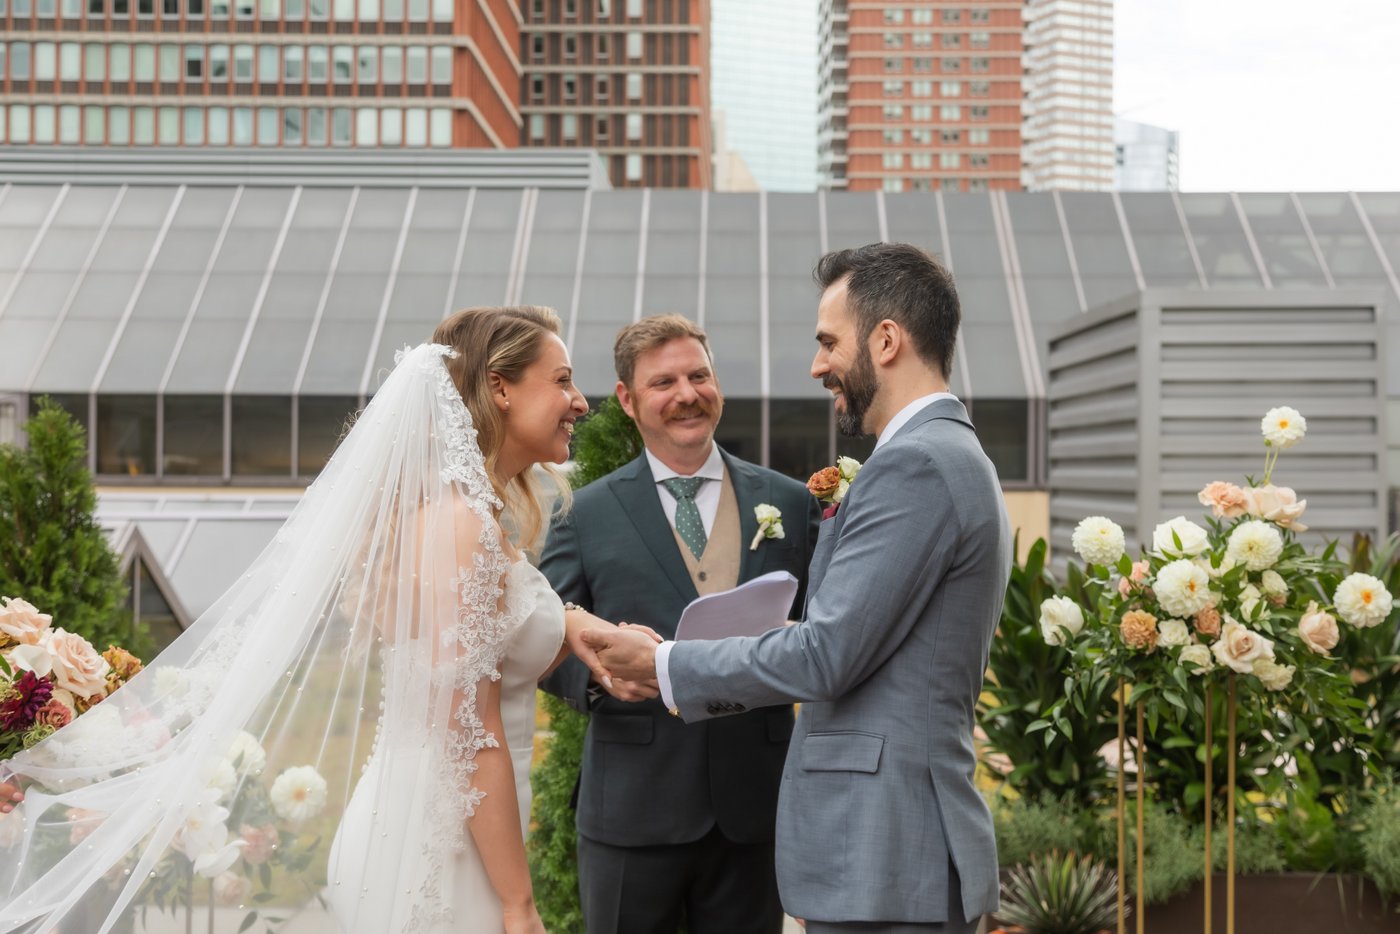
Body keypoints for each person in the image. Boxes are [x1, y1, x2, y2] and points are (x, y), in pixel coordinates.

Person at [0, 306, 622, 934]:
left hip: (437, 824)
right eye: (563, 380)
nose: (581, 402)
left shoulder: (458, 517)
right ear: (500, 388)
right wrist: (519, 902)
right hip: (444, 852)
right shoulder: (464, 526)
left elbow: (482, 644)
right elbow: (469, 732)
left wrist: (563, 622)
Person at [583, 244, 1013, 934]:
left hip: (889, 848)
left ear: (886, 340)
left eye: (827, 343)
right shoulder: (941, 454)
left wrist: (666, 665)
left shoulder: (918, 466)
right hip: (884, 852)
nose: (818, 366)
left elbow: (827, 655)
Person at [540, 315, 821, 933]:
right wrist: (599, 680)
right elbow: (544, 636)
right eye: (663, 382)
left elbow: (822, 638)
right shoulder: (580, 513)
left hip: (754, 806)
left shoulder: (792, 503)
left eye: (699, 375)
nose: (687, 394)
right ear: (627, 399)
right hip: (631, 808)